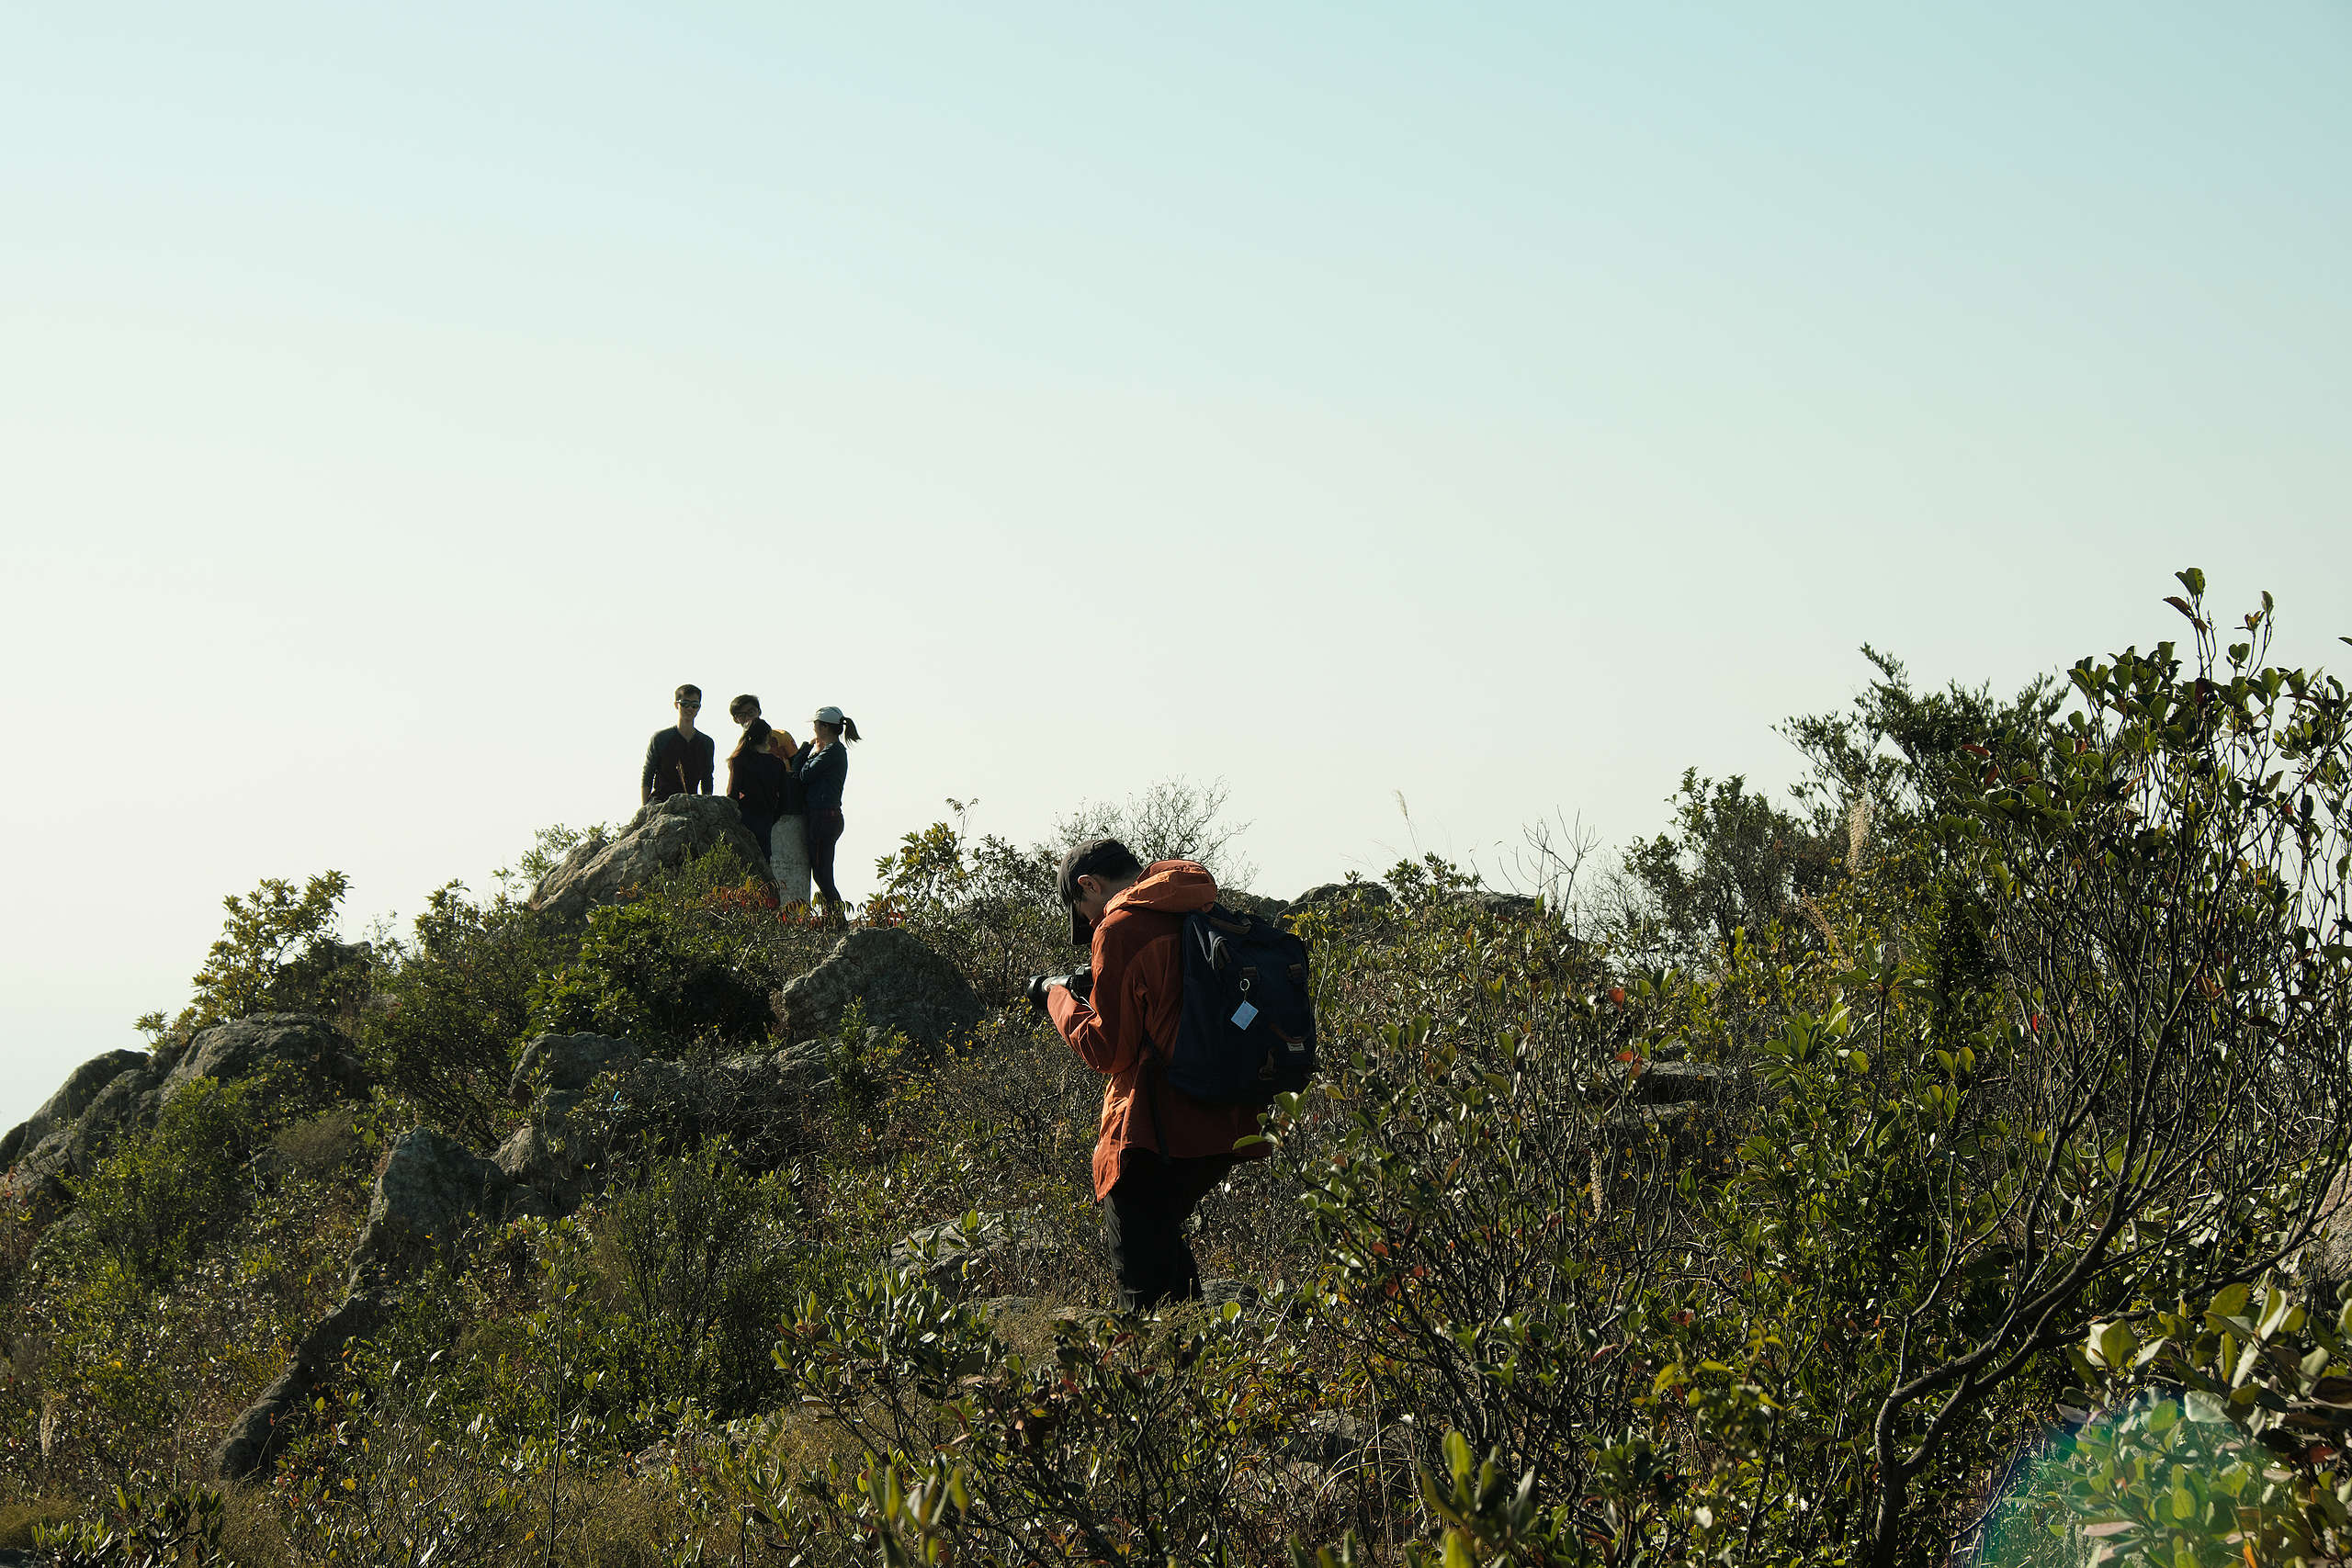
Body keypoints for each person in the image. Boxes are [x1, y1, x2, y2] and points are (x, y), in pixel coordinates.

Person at [1031, 838, 1267, 1312]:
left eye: (1086, 914)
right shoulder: (1201, 908)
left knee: (1145, 1290)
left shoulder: (1120, 928)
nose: (1092, 925)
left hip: (1156, 1129)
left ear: (1088, 885)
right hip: (1228, 1120)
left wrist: (1057, 997)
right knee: (1165, 1255)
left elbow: (1107, 1050)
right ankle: (1204, 1370)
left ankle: (1162, 1378)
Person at [788, 706, 859, 922]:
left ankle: (837, 921)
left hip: (823, 818)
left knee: (822, 873)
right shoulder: (834, 752)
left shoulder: (832, 752)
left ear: (825, 727)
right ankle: (834, 918)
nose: (814, 729)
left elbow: (802, 774)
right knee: (822, 871)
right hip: (826, 817)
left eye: (816, 725)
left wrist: (809, 750)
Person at [725, 717, 790, 875]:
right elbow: (785, 798)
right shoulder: (777, 763)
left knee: (742, 867)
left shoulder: (739, 760)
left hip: (745, 818)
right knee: (763, 867)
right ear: (767, 737)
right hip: (767, 818)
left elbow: (731, 794)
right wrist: (773, 815)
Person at [764, 724, 813, 908]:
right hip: (766, 810)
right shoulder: (744, 746)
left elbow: (795, 768)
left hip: (789, 807)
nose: (746, 719)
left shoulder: (781, 737)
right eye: (741, 716)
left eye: (750, 713)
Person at [641, 684, 715, 804]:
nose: (690, 708)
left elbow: (707, 777)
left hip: (692, 803)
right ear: (676, 705)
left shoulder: (706, 743)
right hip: (660, 802)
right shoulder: (661, 738)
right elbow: (648, 773)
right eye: (685, 703)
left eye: (694, 705)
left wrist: (707, 805)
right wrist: (644, 809)